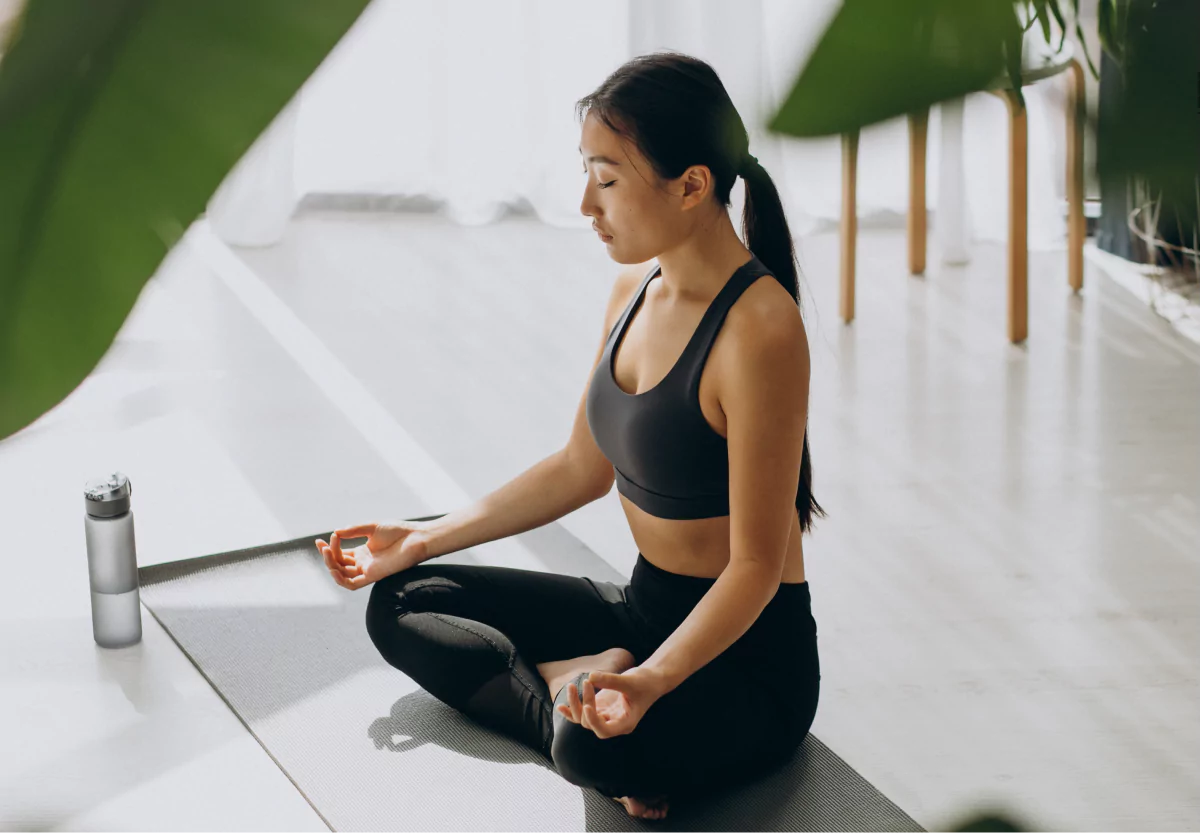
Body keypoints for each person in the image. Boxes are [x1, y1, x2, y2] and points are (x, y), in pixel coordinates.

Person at [315, 51, 824, 821]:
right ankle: (570, 682)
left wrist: (649, 680)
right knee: (403, 601)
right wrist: (422, 537)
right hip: (642, 609)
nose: (586, 202)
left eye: (607, 179)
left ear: (691, 185)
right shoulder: (633, 289)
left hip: (745, 663)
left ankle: (575, 702)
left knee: (594, 748)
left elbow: (754, 568)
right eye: (586, 172)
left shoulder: (760, 329)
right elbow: (579, 467)